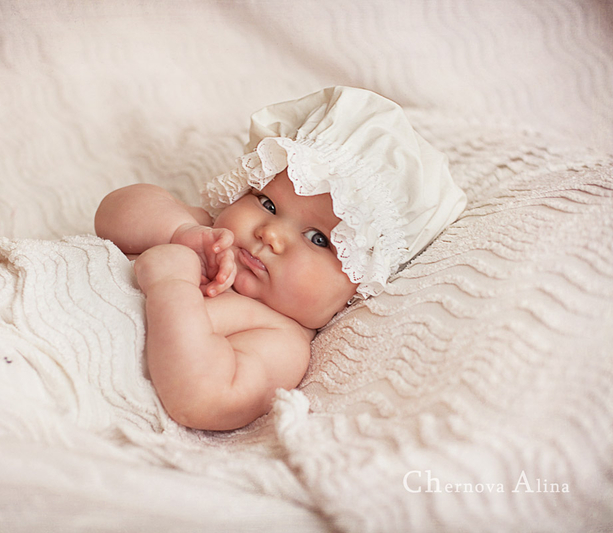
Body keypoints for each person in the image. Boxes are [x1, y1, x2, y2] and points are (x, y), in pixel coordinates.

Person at [95, 86, 466, 431]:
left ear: (359, 282)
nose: (270, 234)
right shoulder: (205, 237)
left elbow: (205, 399)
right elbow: (111, 215)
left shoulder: (280, 339)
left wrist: (173, 287)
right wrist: (179, 231)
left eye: (318, 239)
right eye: (267, 203)